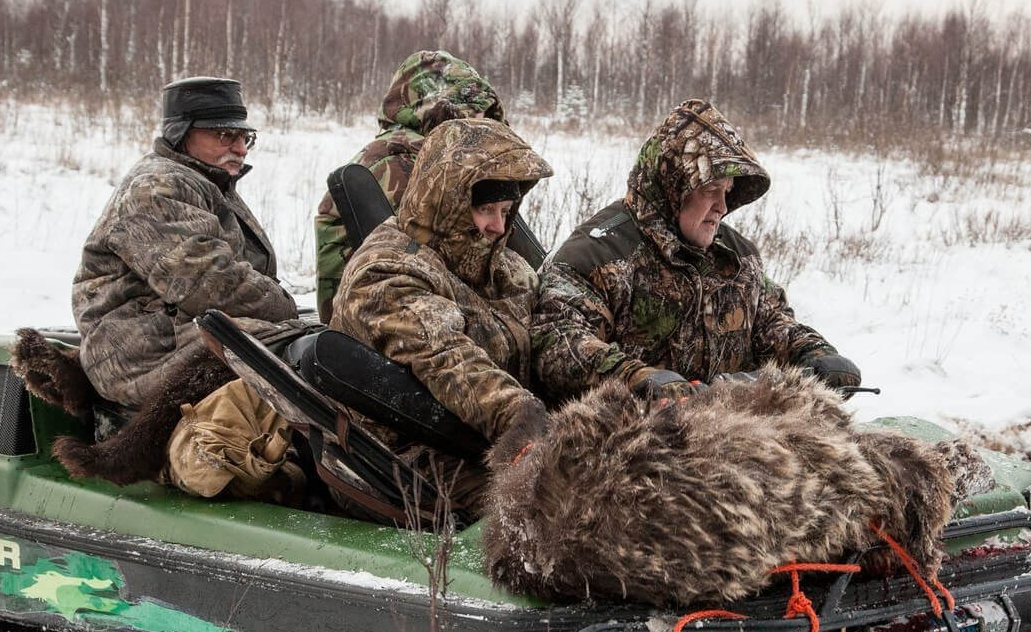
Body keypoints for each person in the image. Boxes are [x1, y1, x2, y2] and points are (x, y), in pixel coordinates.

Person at [530, 99, 860, 404]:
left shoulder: (736, 257)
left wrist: (816, 354)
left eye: (727, 192)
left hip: (734, 438)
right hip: (631, 445)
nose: (722, 206)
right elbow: (558, 341)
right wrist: (635, 378)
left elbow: (772, 322)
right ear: (675, 186)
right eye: (710, 190)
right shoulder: (596, 255)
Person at [328, 118, 551, 519]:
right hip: (402, 456)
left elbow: (550, 336)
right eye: (484, 209)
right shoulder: (387, 271)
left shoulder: (503, 268)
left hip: (484, 442)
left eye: (505, 210)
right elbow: (446, 358)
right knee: (546, 515)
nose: (498, 227)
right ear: (448, 200)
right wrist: (520, 415)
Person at [74, 76, 298, 411]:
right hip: (138, 353)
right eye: (225, 135)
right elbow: (211, 282)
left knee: (315, 347)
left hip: (173, 333)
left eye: (245, 137)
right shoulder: (157, 187)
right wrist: (285, 309)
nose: (239, 148)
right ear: (181, 133)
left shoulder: (205, 183)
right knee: (303, 355)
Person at [312, 50, 506, 323]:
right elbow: (443, 263)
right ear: (435, 109)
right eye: (471, 115)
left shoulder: (433, 159)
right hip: (380, 324)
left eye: (486, 117)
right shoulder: (400, 165)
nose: (482, 127)